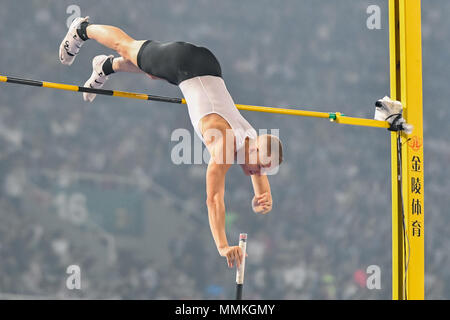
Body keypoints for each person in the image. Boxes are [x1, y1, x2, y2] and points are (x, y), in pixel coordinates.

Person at [59, 16, 283, 269]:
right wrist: (222, 245)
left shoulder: (253, 139)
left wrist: (263, 197)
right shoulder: (225, 145)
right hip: (184, 63)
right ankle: (82, 29)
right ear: (253, 149)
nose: (258, 172)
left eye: (264, 169)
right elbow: (214, 199)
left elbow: (259, 172)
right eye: (259, 165)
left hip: (203, 67)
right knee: (126, 46)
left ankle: (107, 67)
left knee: (153, 71)